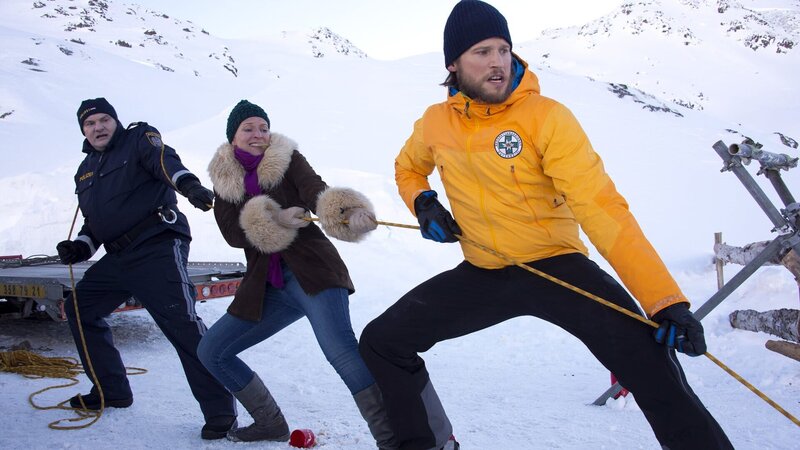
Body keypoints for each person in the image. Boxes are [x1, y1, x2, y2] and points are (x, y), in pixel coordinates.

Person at [358, 2, 734, 449]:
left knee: (652, 367)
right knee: (382, 342)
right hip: (485, 271)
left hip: (558, 268)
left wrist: (664, 301)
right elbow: (407, 168)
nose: (497, 61)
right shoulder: (436, 122)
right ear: (453, 64)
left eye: (503, 49)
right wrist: (423, 203)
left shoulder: (546, 117)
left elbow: (601, 208)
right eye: (482, 51)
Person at [197, 99, 396, 448]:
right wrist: (273, 218)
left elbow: (315, 189)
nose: (258, 135)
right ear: (233, 137)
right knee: (212, 350)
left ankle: (395, 438)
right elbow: (231, 233)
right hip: (266, 285)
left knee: (341, 351)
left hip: (313, 270)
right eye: (249, 129)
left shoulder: (288, 159)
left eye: (263, 127)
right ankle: (269, 423)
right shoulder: (225, 178)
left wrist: (348, 213)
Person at [56, 97, 237, 440]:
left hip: (157, 245)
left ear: (116, 121)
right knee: (79, 308)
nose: (98, 127)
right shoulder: (85, 171)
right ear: (83, 130)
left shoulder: (139, 140)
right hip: (118, 256)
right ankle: (112, 391)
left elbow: (166, 164)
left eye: (104, 119)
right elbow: (95, 225)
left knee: (182, 325)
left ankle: (221, 412)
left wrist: (189, 186)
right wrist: (80, 246)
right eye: (90, 123)